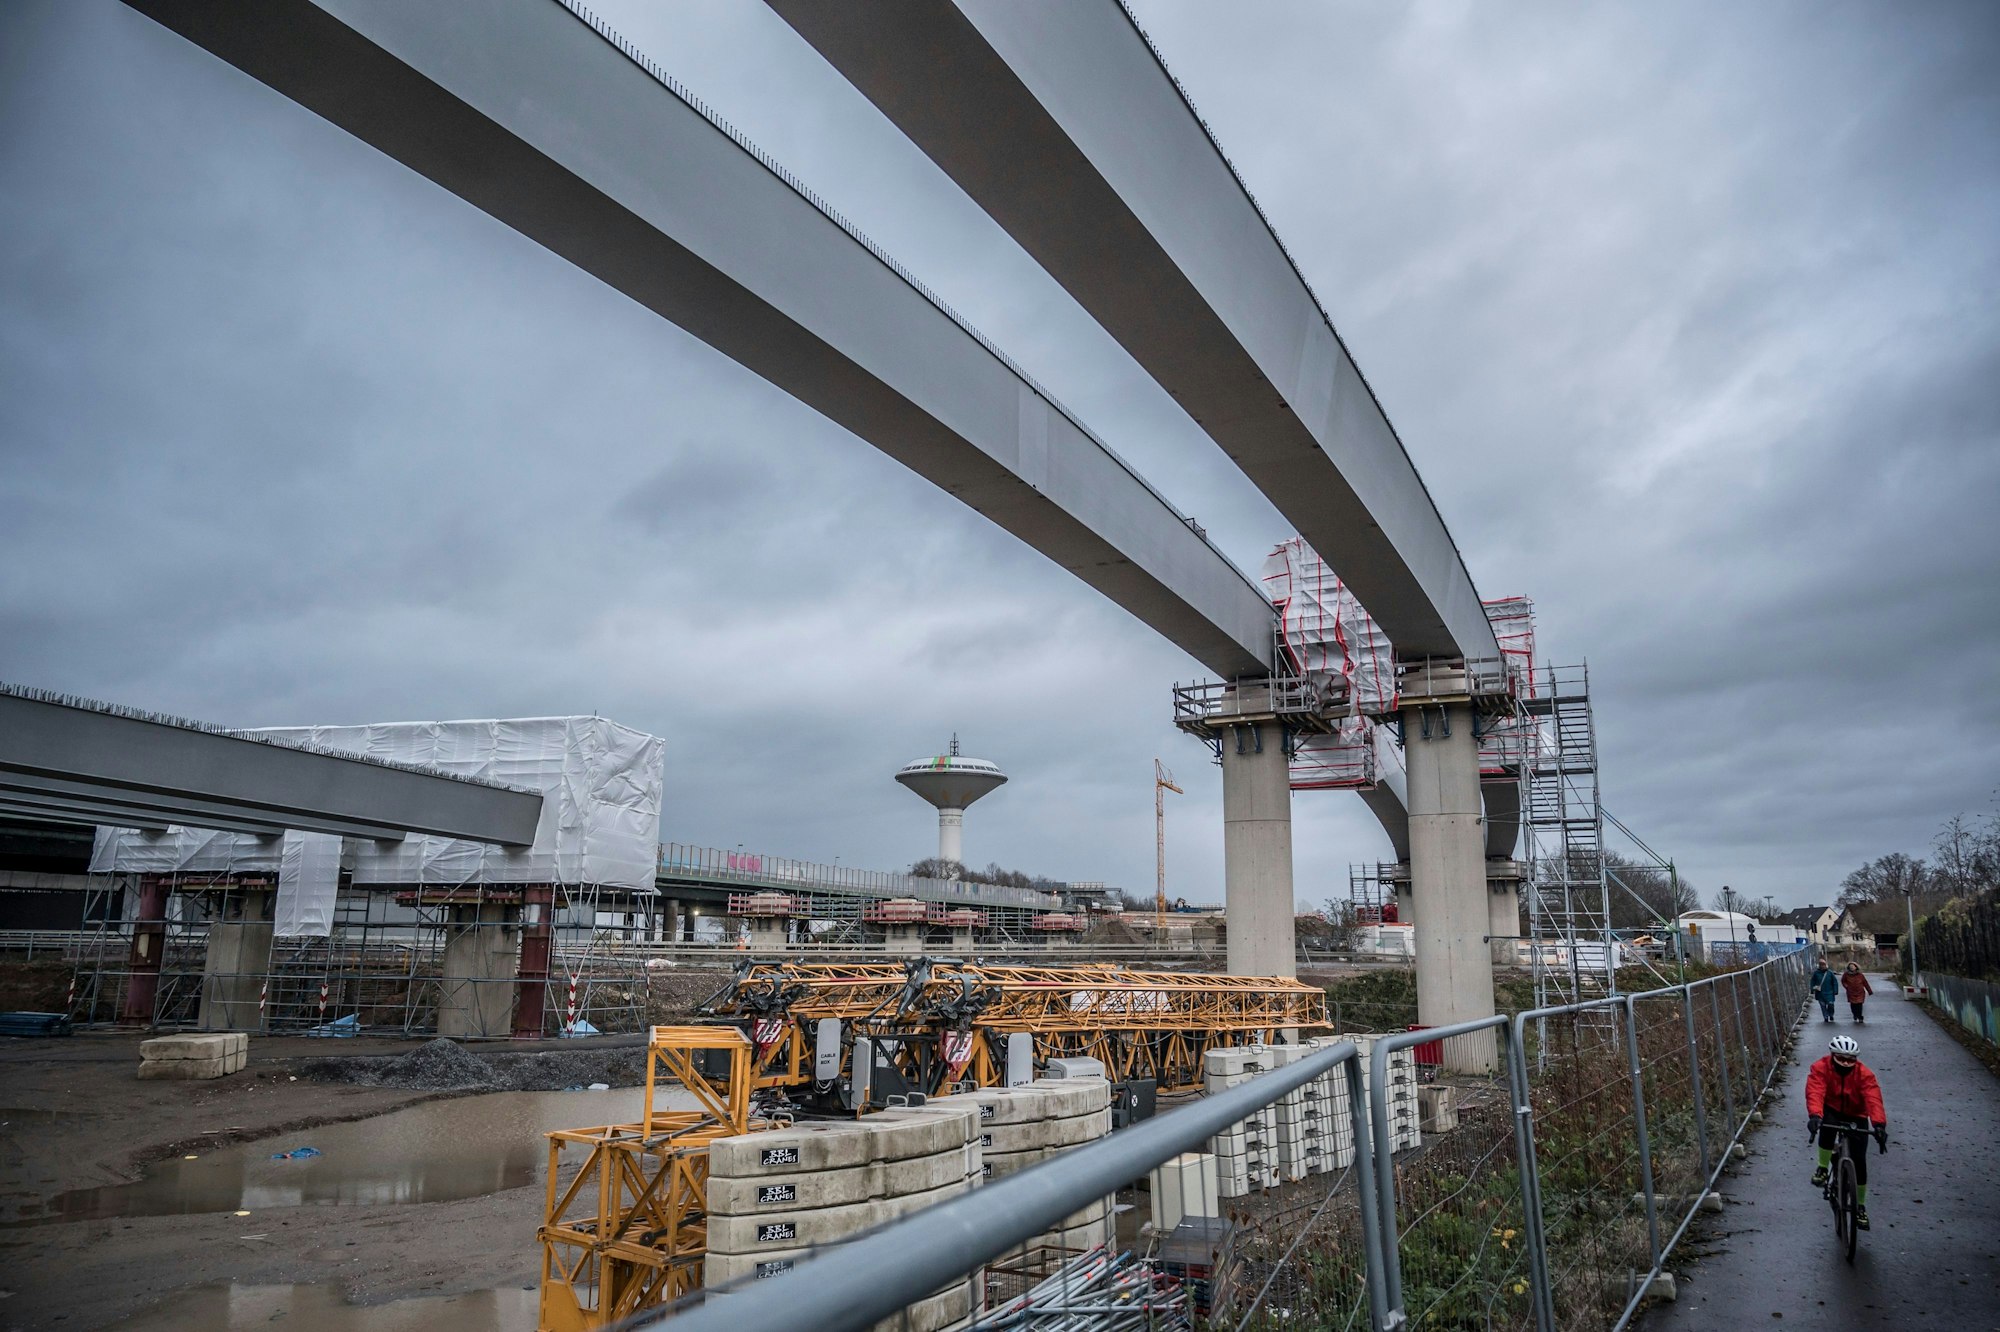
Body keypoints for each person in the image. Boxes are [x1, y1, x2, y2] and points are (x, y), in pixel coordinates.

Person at [1805, 1034, 1888, 1229]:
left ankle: (1860, 1207)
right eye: (1841, 1059)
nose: (1846, 1063)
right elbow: (1815, 1090)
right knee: (1826, 1126)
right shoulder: (1821, 1068)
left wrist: (1879, 1125)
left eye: (1850, 1060)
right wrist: (1815, 1115)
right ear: (1832, 1056)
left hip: (1857, 1113)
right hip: (1832, 1108)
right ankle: (1823, 1168)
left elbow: (1873, 1098)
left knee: (1860, 1161)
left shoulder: (1864, 1074)